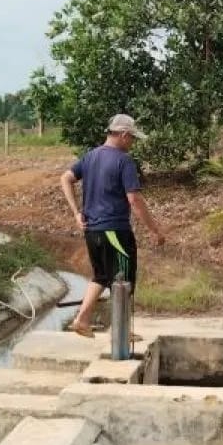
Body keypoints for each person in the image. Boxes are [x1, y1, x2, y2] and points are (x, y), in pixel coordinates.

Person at [59, 113, 166, 338]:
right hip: (115, 231)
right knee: (124, 278)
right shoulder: (123, 160)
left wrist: (76, 213)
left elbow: (65, 178)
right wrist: (155, 230)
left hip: (92, 231)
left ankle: (82, 320)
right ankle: (122, 331)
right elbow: (134, 200)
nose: (133, 143)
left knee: (101, 276)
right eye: (132, 138)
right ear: (124, 135)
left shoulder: (90, 156)